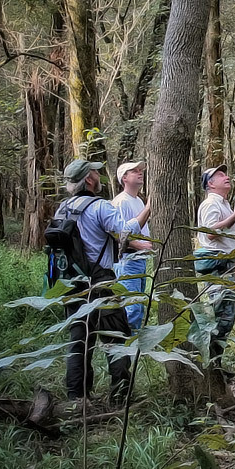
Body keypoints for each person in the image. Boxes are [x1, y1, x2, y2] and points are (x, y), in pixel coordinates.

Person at [59, 159, 150, 404]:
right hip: (101, 281)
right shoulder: (100, 206)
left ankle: (77, 397)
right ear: (88, 179)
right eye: (96, 172)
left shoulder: (63, 208)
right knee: (116, 337)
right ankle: (120, 395)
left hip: (71, 283)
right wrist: (149, 209)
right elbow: (125, 234)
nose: (99, 175)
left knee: (79, 339)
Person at [196, 165, 235, 363]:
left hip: (228, 265)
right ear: (210, 184)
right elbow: (210, 232)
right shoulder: (210, 204)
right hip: (217, 267)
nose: (226, 177)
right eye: (220, 175)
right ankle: (212, 366)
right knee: (220, 317)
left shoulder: (226, 206)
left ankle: (216, 364)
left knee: (227, 317)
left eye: (225, 173)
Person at [112, 161, 152, 331]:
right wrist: (140, 246)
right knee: (131, 306)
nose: (139, 173)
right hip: (128, 260)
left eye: (140, 170)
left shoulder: (139, 201)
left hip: (139, 261)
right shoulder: (121, 202)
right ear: (124, 178)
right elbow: (118, 234)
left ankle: (133, 341)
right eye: (134, 171)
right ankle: (125, 345)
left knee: (138, 304)